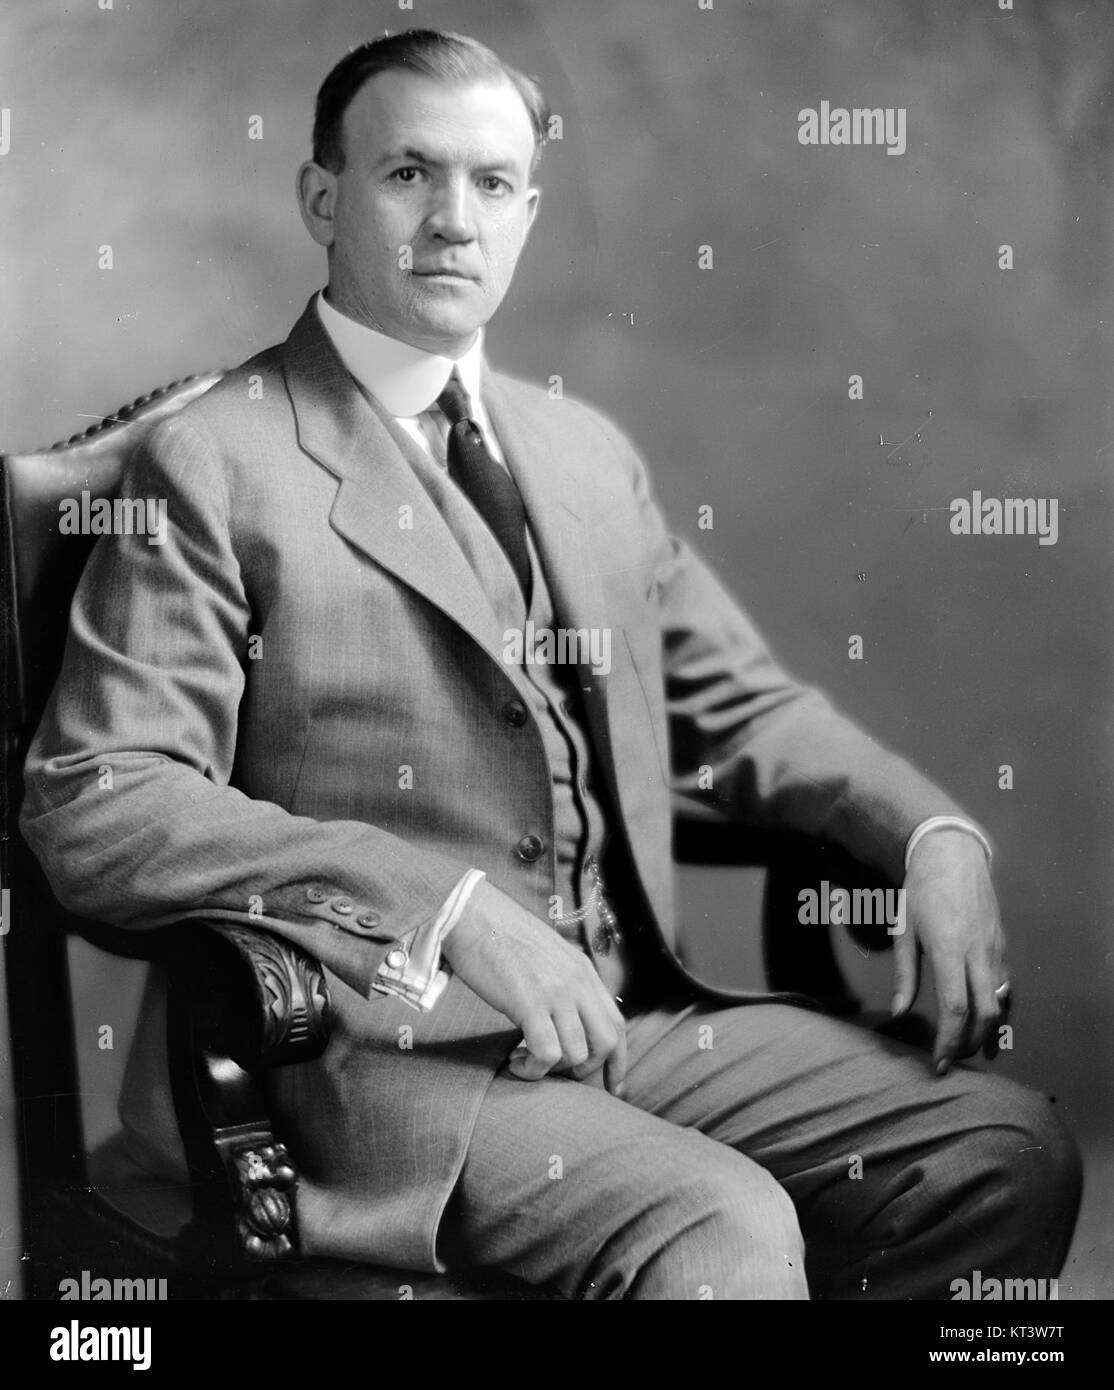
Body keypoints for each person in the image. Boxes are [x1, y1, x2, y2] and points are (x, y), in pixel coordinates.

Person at [21, 29, 1081, 1300]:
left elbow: (739, 706)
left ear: (529, 208)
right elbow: (101, 796)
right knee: (721, 1230)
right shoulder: (214, 459)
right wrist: (444, 911)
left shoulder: (580, 455)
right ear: (322, 198)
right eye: (409, 173)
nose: (455, 219)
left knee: (1002, 1152)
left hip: (625, 1025)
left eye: (492, 183)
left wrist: (929, 836)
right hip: (377, 1066)